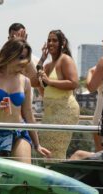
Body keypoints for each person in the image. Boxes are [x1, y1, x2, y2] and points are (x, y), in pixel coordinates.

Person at [0, 39, 50, 164]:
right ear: (9, 55)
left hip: (18, 132)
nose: (25, 61)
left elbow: (29, 115)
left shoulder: (25, 81)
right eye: (21, 57)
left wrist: (37, 144)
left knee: (24, 172)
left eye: (27, 58)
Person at [37, 30, 79, 160]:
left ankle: (56, 178)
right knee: (45, 148)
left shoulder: (65, 60)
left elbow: (73, 83)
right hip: (49, 112)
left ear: (63, 43)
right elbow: (34, 81)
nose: (51, 43)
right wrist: (41, 60)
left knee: (55, 151)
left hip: (64, 110)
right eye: (49, 40)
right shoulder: (48, 65)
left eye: (54, 40)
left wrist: (50, 81)